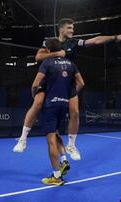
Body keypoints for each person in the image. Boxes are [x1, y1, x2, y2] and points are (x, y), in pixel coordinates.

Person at [13, 18, 121, 160]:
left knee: (75, 112)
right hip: (49, 79)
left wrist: (116, 37)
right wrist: (57, 54)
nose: (72, 30)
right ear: (61, 29)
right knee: (37, 104)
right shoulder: (50, 42)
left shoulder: (74, 42)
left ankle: (71, 145)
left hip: (67, 82)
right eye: (70, 28)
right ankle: (23, 139)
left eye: (73, 28)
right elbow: (38, 57)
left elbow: (95, 40)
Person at [34, 38, 83, 185]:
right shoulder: (71, 63)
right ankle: (64, 160)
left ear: (49, 50)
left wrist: (37, 101)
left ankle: (56, 177)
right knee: (56, 134)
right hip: (64, 104)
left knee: (51, 141)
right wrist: (70, 95)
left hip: (50, 105)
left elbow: (36, 84)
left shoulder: (47, 62)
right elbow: (81, 83)